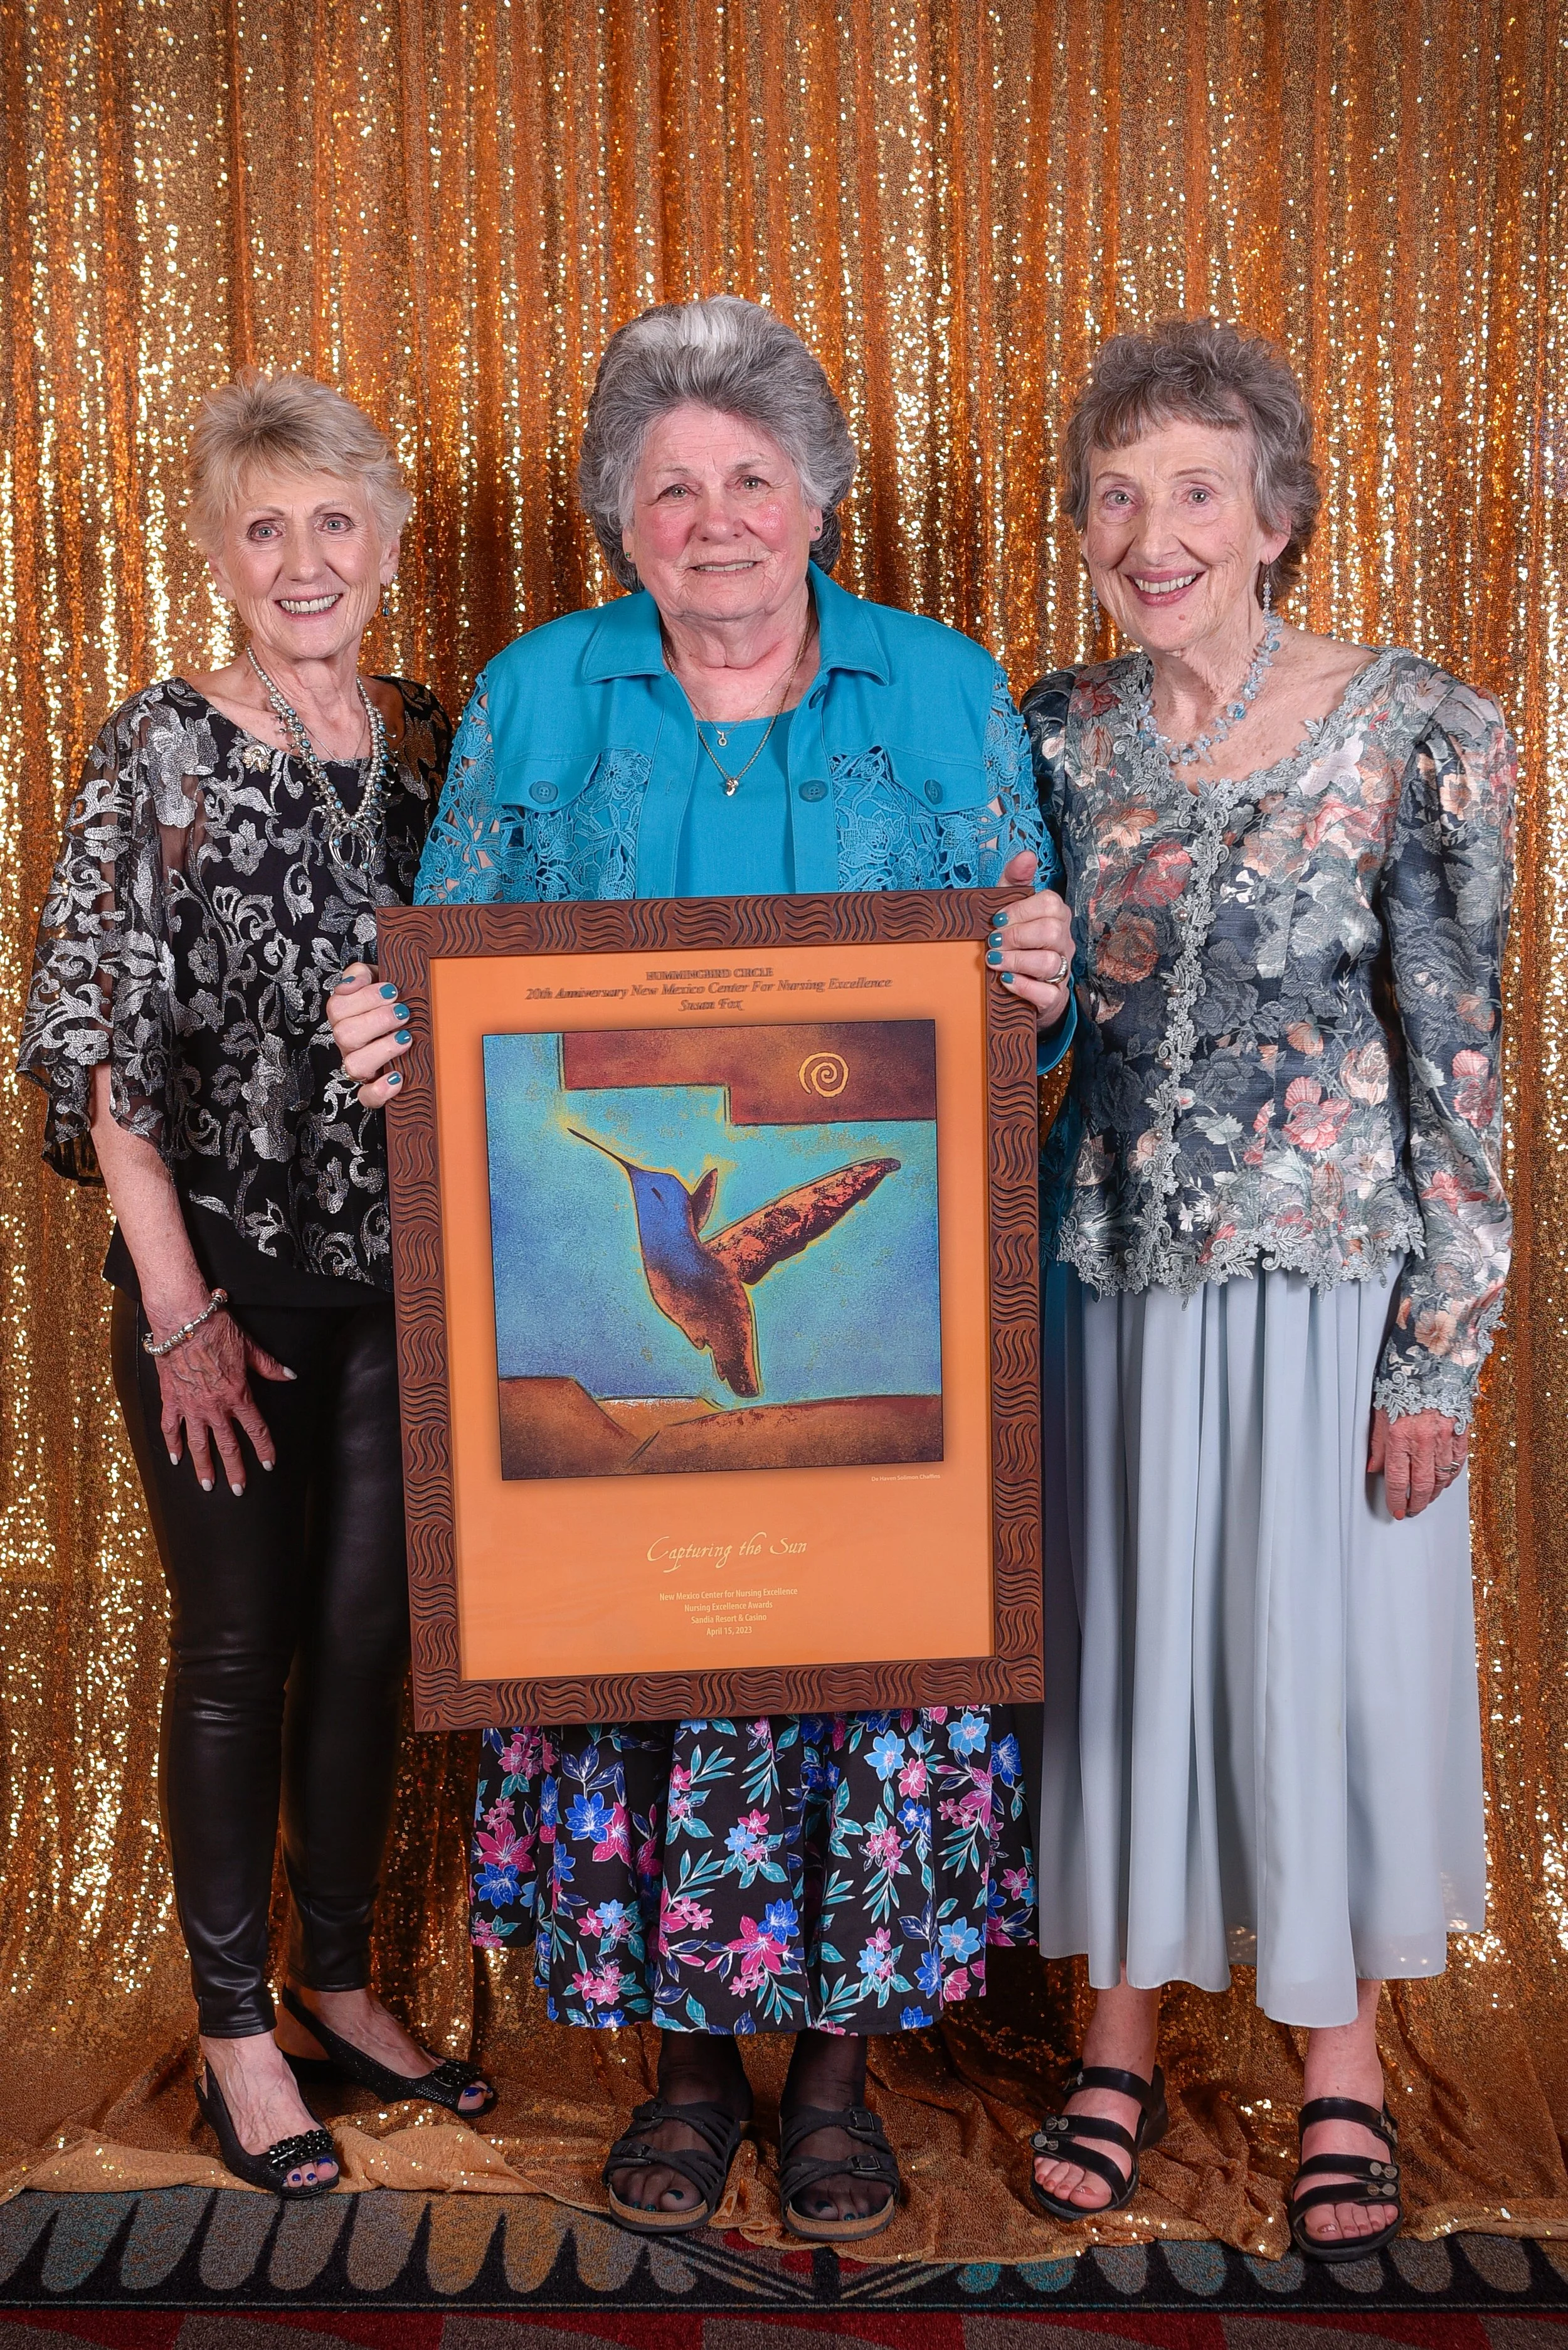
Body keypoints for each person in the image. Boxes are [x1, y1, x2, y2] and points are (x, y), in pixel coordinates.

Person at [328, 294, 1077, 2242]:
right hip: (590, 1299)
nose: (716, 516)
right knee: (629, 1640)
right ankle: (679, 2073)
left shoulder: (939, 689)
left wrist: (1040, 990)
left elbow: (1021, 1031)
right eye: (673, 485)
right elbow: (460, 972)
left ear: (816, 495)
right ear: (622, 516)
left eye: (751, 475)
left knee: (868, 1664)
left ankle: (831, 2081)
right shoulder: (535, 691)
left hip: (898, 1293)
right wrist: (394, 1038)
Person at [1004, 318, 1513, 2260]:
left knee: (1309, 1672)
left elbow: (1458, 1057)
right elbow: (1007, 1044)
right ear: (1079, 528)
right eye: (1116, 495)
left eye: (1194, 491)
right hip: (1104, 1279)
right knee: (1128, 1658)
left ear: (1274, 514)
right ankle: (1116, 2041)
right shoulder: (1046, 736)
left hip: (1327, 1288)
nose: (1154, 531)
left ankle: (1339, 2073)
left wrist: (1436, 1357)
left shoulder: (1416, 731)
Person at [18, 370, 494, 2199]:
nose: (305, 558)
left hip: (408, 1281)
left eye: (334, 521)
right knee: (238, 1649)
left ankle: (340, 1981)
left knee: (374, 1640)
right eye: (264, 526)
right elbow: (98, 1051)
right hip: (221, 1284)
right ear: (219, 555)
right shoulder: (162, 745)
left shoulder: (432, 737)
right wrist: (179, 1311)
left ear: (386, 542)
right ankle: (234, 2029)